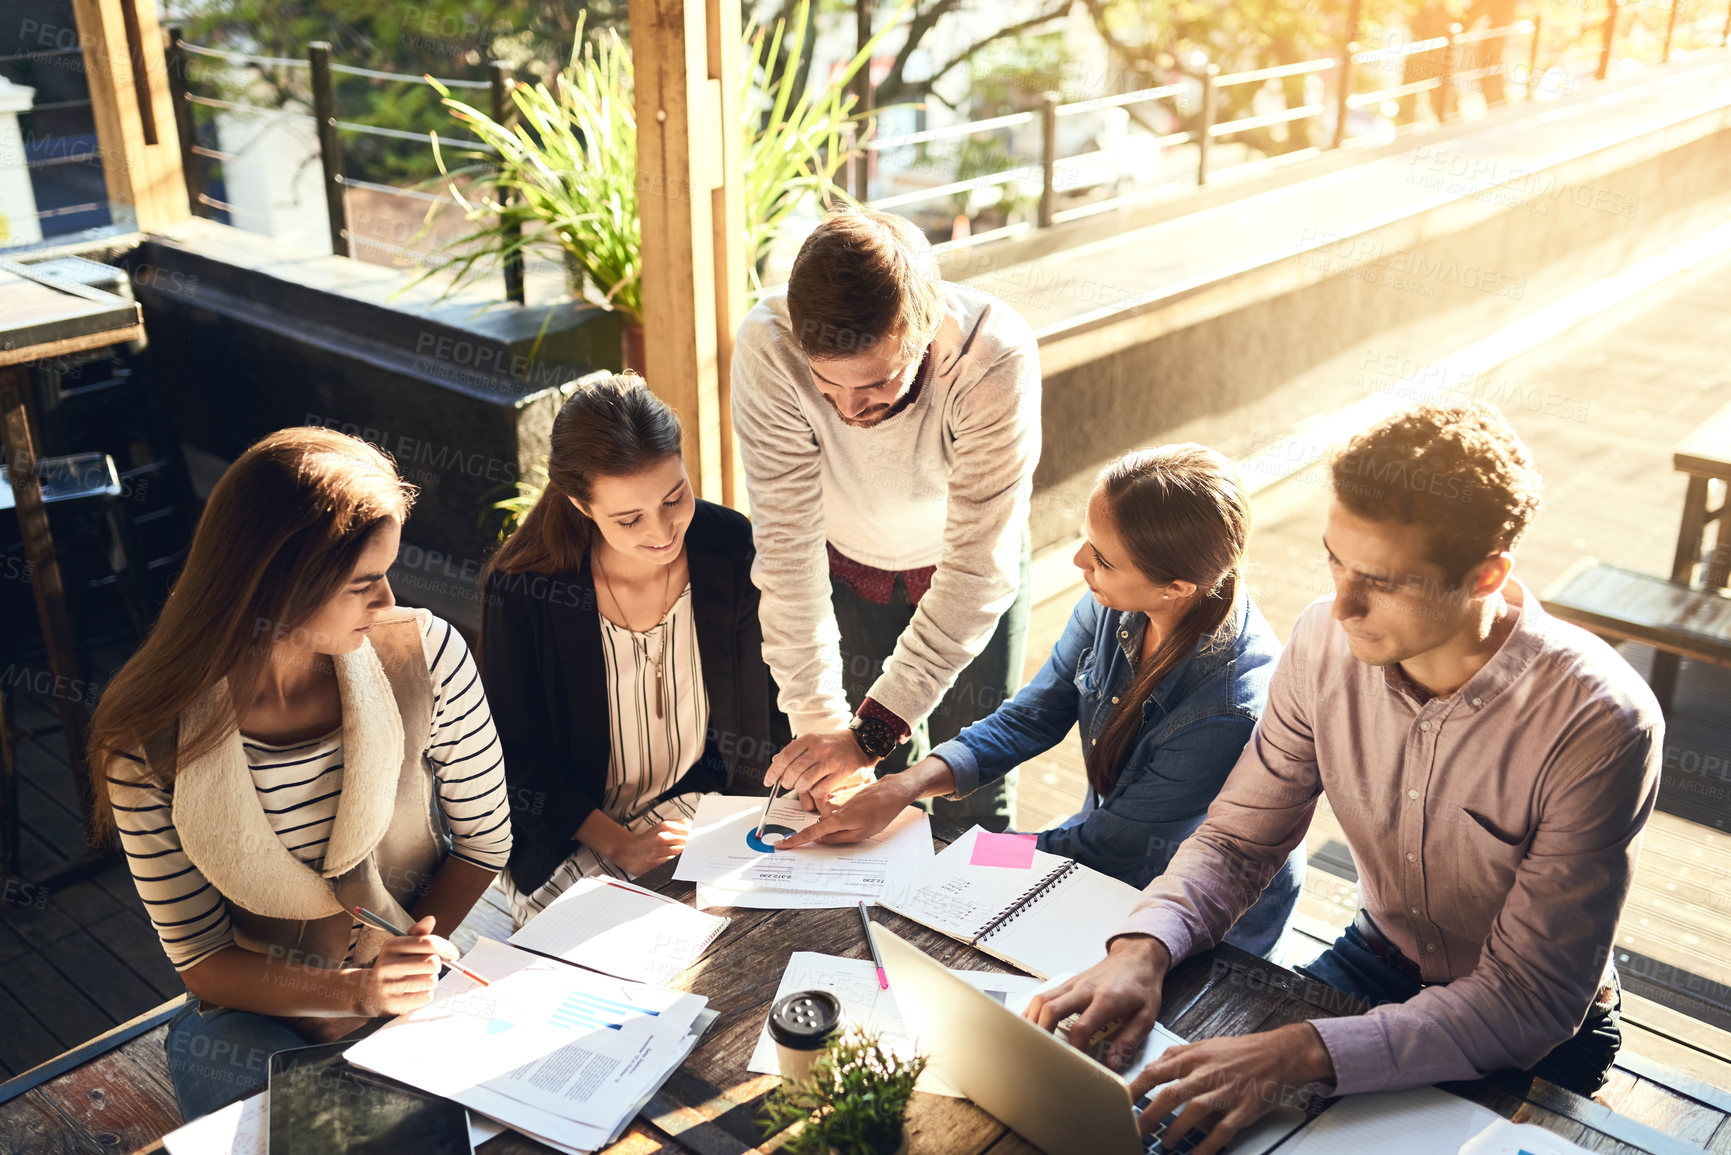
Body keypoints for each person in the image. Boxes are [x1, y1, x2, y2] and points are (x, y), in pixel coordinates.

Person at [1027, 400, 1661, 1154]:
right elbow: (1234, 842)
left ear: (1487, 572)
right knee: (1156, 1122)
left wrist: (1299, 1051)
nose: (1343, 604)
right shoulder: (1319, 640)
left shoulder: (1598, 719)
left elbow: (1529, 999)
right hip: (1371, 957)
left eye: (1383, 580)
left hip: (1540, 1030)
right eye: (1334, 560)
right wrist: (1140, 950)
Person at [87, 429, 512, 1121]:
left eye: (387, 574)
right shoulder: (143, 739)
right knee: (280, 1119)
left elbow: (483, 843)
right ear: (277, 584)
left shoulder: (426, 651)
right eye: (363, 583)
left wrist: (402, 969)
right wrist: (348, 995)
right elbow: (201, 958)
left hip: (432, 959)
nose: (386, 603)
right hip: (256, 1013)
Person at [781, 445, 1303, 957]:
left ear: (1176, 587)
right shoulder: (1114, 601)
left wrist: (954, 855)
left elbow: (1106, 851)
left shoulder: (1228, 711)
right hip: (1108, 856)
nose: (1079, 561)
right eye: (1086, 540)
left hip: (1205, 923)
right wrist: (904, 785)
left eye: (1100, 559)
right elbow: (1032, 716)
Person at [732, 202, 1041, 830]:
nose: (849, 410)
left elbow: (977, 573)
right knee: (878, 789)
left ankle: (993, 916)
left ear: (927, 328)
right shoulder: (768, 347)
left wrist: (868, 736)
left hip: (972, 575)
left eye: (877, 383)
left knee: (983, 798)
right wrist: (826, 738)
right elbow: (787, 551)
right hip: (847, 569)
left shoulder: (995, 356)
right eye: (827, 385)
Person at [480, 374, 786, 925]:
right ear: (580, 504)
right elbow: (514, 758)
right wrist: (620, 845)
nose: (664, 531)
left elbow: (771, 695)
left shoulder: (729, 547)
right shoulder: (524, 589)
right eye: (629, 519)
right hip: (575, 832)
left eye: (675, 497)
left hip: (705, 802)